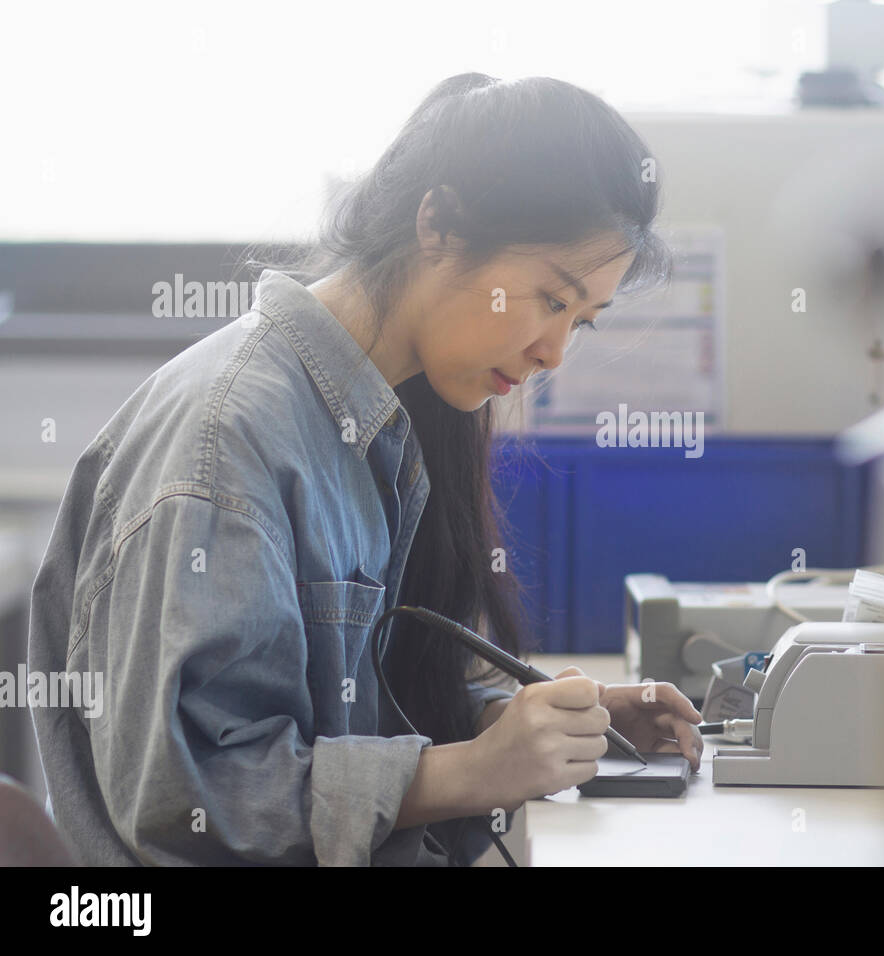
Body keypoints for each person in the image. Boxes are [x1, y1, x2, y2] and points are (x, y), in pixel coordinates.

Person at [26, 72, 702, 866]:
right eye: (550, 300)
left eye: (581, 321)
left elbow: (370, 690)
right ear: (438, 225)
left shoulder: (389, 416)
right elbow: (195, 805)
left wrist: (521, 716)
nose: (554, 353)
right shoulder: (228, 443)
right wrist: (469, 771)